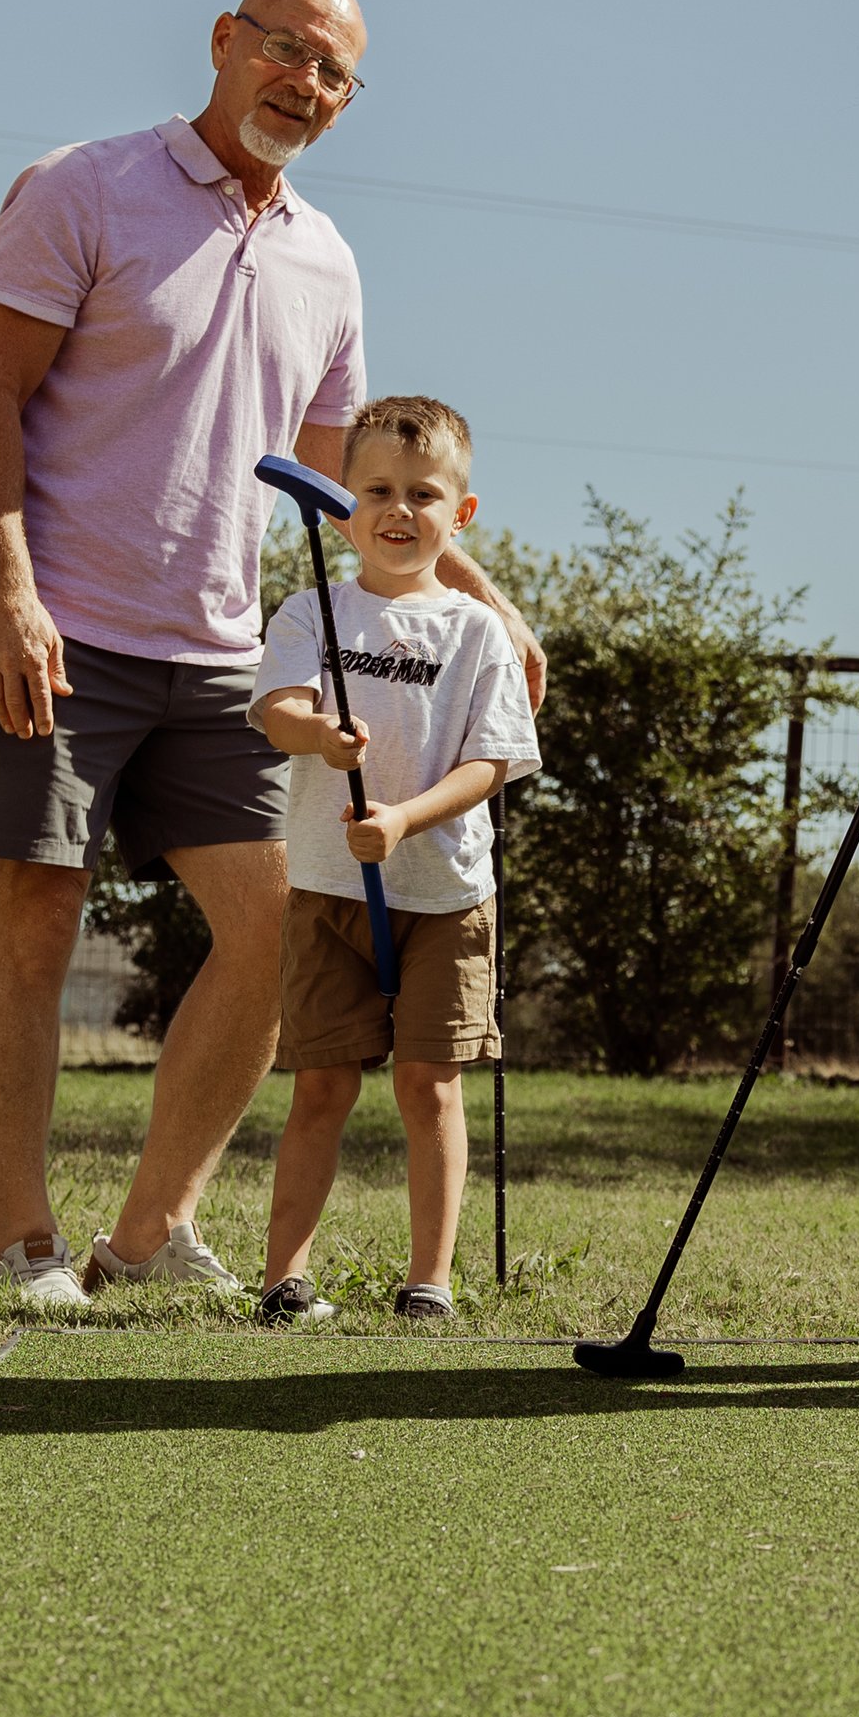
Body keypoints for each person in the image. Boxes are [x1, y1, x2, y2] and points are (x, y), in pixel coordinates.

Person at [0, 0, 543, 1309]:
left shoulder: (326, 259)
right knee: (36, 913)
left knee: (278, 927)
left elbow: (346, 482)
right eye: (286, 51)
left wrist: (482, 595)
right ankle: (24, 1242)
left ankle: (149, 1234)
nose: (304, 85)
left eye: (333, 73)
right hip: (57, 627)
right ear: (225, 43)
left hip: (219, 652)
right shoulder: (85, 187)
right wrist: (9, 591)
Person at [249, 396, 537, 1327]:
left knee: (429, 1082)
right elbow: (274, 707)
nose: (398, 510)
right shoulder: (311, 609)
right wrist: (325, 737)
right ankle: (283, 1281)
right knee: (323, 1084)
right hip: (329, 887)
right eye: (376, 489)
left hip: (447, 896)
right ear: (344, 508)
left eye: (423, 493)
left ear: (462, 515)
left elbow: (493, 761)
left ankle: (430, 1283)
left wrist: (407, 816)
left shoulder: (476, 631)